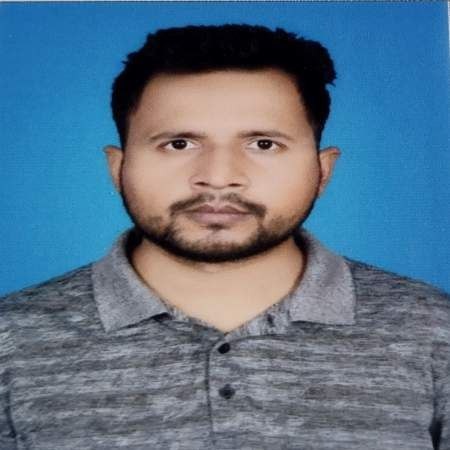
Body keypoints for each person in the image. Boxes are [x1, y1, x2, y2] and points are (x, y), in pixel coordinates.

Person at [0, 24, 448, 450]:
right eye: (178, 143)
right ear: (118, 168)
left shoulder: (434, 329)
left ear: (323, 170)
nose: (218, 176)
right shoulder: (11, 339)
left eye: (263, 144)